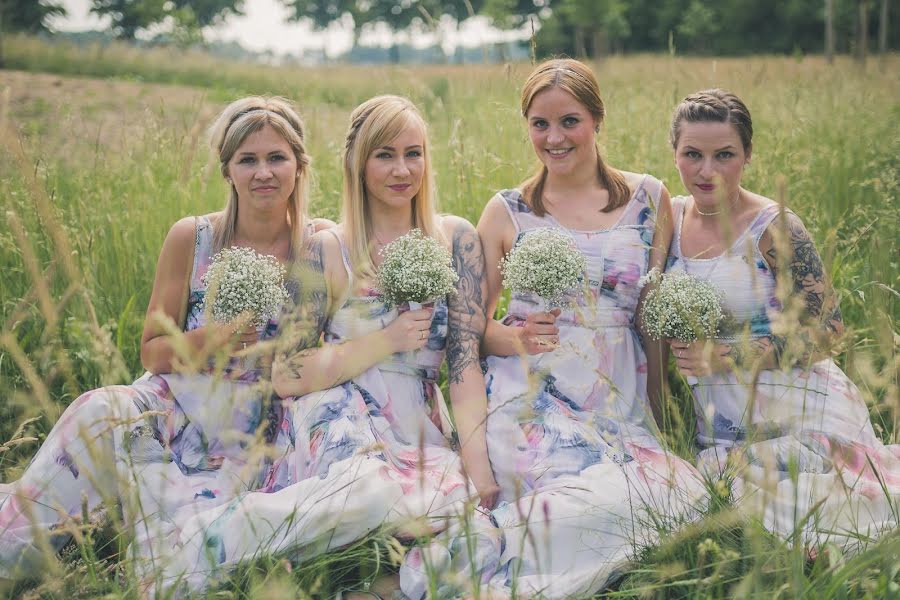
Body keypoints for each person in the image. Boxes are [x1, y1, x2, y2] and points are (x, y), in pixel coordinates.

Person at [143, 95, 497, 595]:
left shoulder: (457, 238)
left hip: (419, 419)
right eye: (385, 155)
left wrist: (479, 468)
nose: (402, 169)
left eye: (413, 153)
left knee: (466, 529)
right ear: (358, 163)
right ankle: (212, 547)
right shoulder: (328, 247)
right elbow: (289, 374)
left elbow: (463, 369)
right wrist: (385, 341)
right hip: (341, 411)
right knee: (368, 496)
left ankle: (373, 586)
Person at [400, 59, 706, 599]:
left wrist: (660, 419)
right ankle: (487, 559)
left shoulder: (647, 199)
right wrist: (515, 338)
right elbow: (469, 336)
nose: (554, 137)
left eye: (569, 121)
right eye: (540, 124)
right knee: (581, 492)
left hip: (618, 399)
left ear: (596, 120)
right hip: (533, 395)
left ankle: (509, 558)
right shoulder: (508, 211)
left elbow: (649, 321)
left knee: (678, 493)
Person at [0, 95, 333, 579]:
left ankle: (126, 534)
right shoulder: (194, 237)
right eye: (248, 160)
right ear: (228, 171)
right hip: (174, 402)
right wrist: (219, 336)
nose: (263, 172)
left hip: (253, 428)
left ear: (299, 166)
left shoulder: (320, 245)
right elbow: (153, 351)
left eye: (277, 157)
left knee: (189, 540)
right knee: (100, 410)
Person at [665, 88, 899, 552]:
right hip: (718, 423)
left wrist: (728, 355)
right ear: (675, 154)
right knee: (724, 492)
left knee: (806, 508)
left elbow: (829, 333)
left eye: (724, 155)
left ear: (747, 155)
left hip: (797, 405)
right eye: (692, 154)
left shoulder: (773, 227)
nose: (706, 170)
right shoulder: (667, 219)